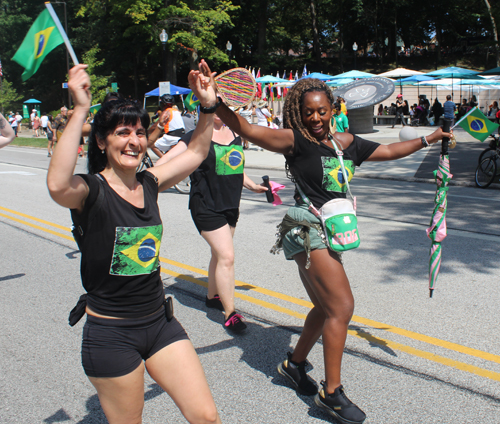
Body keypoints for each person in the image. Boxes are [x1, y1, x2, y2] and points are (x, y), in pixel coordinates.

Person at [200, 61, 452, 424]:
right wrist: (214, 103)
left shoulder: (343, 142)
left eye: (322, 111)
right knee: (342, 306)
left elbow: (388, 152)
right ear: (298, 114)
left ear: (333, 109)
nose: (315, 118)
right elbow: (248, 129)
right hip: (308, 232)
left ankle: (294, 364)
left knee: (324, 306)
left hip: (331, 232)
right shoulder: (294, 141)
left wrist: (430, 139)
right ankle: (330, 393)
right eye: (308, 112)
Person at [46, 64, 221, 424]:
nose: (134, 141)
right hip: (111, 334)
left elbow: (197, 152)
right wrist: (80, 110)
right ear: (102, 141)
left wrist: (207, 107)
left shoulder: (151, 182)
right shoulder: (90, 191)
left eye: (140, 133)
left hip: (159, 324)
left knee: (206, 417)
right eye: (123, 132)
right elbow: (57, 185)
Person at [156, 102, 267, 331]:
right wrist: (147, 183)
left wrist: (252, 185)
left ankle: (211, 296)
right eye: (214, 108)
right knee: (226, 256)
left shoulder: (236, 132)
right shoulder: (195, 136)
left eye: (223, 108)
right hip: (205, 204)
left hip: (230, 204)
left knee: (218, 254)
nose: (220, 113)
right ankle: (230, 314)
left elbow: (235, 165)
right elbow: (164, 161)